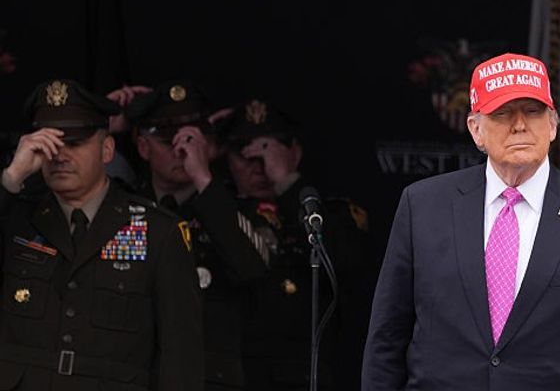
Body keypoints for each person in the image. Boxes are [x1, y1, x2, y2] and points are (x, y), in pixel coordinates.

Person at [362, 52, 560, 390]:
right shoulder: (422, 206)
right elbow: (386, 340)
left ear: (553, 124)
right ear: (475, 129)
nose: (520, 125)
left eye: (533, 111)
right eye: (502, 113)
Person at [0, 79, 203, 390]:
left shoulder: (160, 232)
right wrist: (11, 179)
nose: (59, 155)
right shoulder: (16, 216)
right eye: (48, 143)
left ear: (107, 149)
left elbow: (180, 358)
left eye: (75, 142)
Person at [222, 98, 375, 391]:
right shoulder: (216, 209)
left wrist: (286, 182)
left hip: (304, 374)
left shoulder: (328, 212)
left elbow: (345, 261)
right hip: (234, 372)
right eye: (245, 154)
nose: (259, 166)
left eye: (269, 151)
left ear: (294, 152)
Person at [125, 81, 268, 391]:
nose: (180, 150)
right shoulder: (123, 205)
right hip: (136, 374)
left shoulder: (230, 206)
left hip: (209, 376)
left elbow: (256, 268)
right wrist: (103, 129)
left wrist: (204, 178)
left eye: (190, 140)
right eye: (168, 141)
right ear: (143, 147)